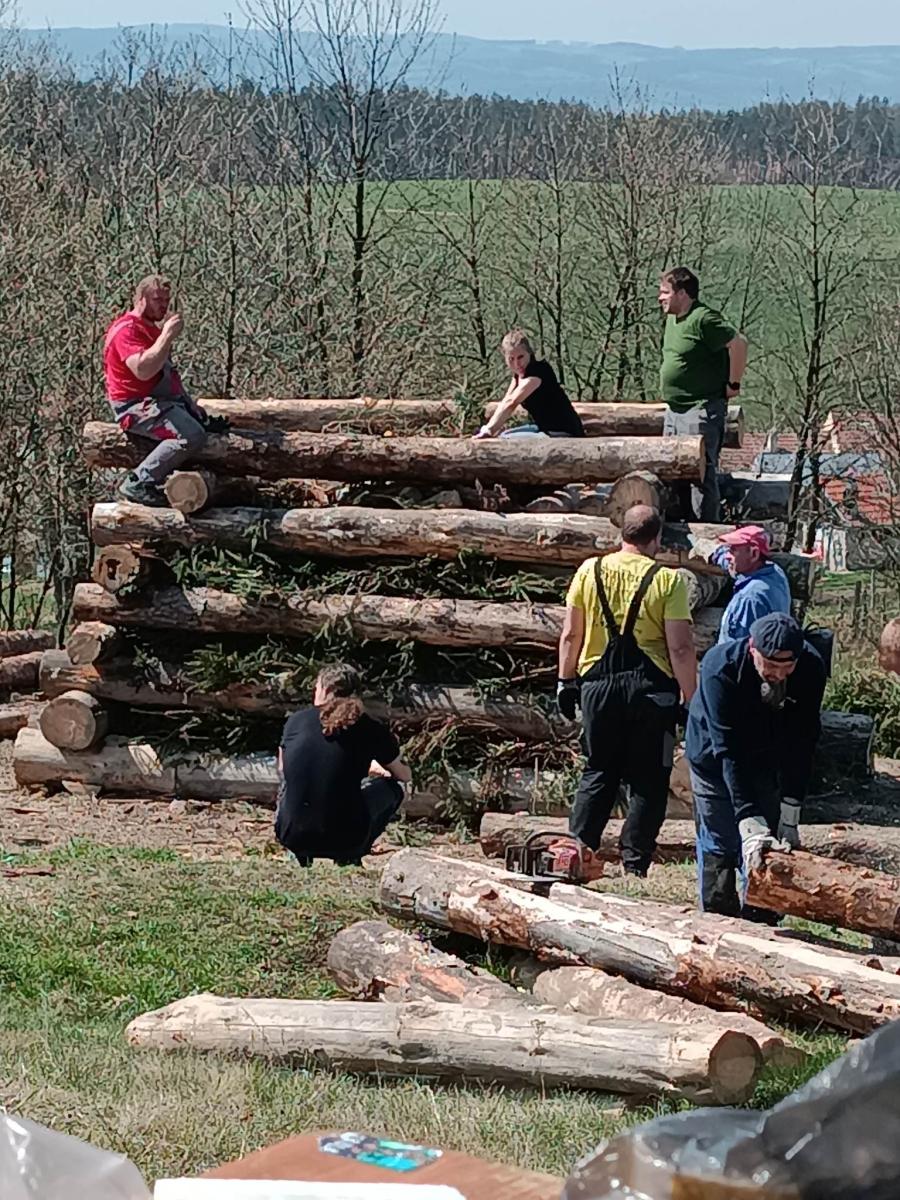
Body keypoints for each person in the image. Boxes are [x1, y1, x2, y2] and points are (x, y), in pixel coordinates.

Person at [556, 505, 697, 877]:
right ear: (657, 538)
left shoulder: (589, 570)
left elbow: (570, 634)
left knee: (598, 770)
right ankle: (635, 864)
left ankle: (577, 851)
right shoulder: (668, 581)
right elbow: (681, 648)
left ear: (622, 533)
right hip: (653, 693)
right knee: (651, 778)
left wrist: (565, 681)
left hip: (597, 688)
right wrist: (690, 698)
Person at [686, 612, 827, 919]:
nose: (779, 675)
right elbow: (727, 750)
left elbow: (804, 740)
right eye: (771, 665)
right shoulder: (719, 667)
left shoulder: (812, 666)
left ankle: (763, 919)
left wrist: (791, 811)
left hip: (766, 757)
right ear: (752, 649)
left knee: (769, 844)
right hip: (714, 757)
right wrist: (748, 821)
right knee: (721, 838)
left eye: (787, 667)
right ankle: (717, 917)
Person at [276, 663, 412, 867]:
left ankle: (299, 854)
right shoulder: (370, 728)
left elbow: (284, 767)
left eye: (316, 687)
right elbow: (403, 775)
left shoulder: (296, 721)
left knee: (288, 783)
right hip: (345, 840)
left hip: (291, 835)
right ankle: (353, 853)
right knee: (393, 789)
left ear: (327, 690)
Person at [103, 274, 219, 506]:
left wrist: (190, 406)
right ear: (141, 299)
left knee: (202, 426)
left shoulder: (150, 330)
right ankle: (138, 481)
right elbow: (143, 370)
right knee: (191, 436)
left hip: (158, 401)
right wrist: (166, 336)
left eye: (166, 300)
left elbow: (167, 374)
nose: (164, 305)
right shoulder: (127, 330)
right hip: (134, 407)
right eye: (157, 299)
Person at [659, 267, 748, 523]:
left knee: (701, 476)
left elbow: (739, 343)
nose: (660, 298)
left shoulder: (703, 319)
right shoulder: (673, 319)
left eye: (665, 292)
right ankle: (680, 529)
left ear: (682, 294)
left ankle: (706, 530)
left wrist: (733, 383)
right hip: (675, 410)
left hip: (699, 409)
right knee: (674, 472)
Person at [473, 329, 585, 440]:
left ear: (529, 353)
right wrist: (487, 429)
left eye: (520, 357)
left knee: (505, 439)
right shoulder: (518, 376)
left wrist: (489, 430)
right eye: (511, 359)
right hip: (544, 428)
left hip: (563, 431)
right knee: (505, 434)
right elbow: (506, 400)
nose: (517, 364)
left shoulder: (538, 372)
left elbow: (512, 402)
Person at [713, 525, 791, 644]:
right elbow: (734, 565)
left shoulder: (750, 598)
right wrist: (716, 554)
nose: (728, 556)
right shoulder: (774, 572)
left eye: (733, 550)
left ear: (754, 554)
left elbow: (738, 648)